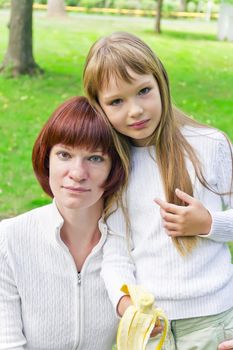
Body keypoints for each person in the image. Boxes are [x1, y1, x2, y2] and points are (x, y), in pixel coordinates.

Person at [83, 32, 233, 349]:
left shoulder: (209, 145)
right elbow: (115, 252)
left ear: (161, 82)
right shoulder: (112, 166)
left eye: (144, 91)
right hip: (150, 329)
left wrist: (209, 224)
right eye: (117, 101)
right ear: (100, 107)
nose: (135, 110)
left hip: (215, 322)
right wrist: (126, 305)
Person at [0, 96, 129, 350]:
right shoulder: (8, 240)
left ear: (114, 168)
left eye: (95, 158)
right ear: (46, 158)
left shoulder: (130, 243)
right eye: (64, 154)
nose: (77, 173)